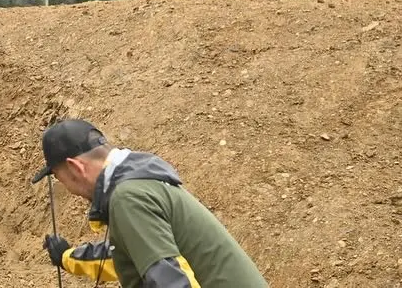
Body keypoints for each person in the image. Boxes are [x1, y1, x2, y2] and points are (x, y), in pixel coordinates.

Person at [32, 118, 267, 286]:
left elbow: (171, 281)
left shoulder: (128, 198)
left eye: (60, 178)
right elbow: (128, 257)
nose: (68, 189)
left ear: (76, 168)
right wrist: (67, 257)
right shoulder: (137, 186)